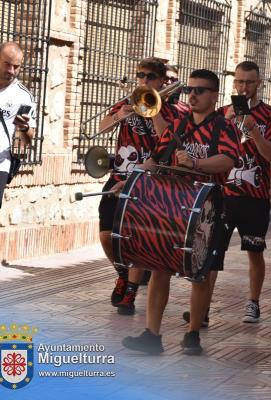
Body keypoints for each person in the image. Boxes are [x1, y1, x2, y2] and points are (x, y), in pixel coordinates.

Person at [121, 69, 239, 355]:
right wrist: (130, 180)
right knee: (159, 265)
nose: (193, 95)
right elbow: (155, 157)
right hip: (171, 206)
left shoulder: (225, 128)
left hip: (208, 209)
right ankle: (152, 334)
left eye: (200, 90)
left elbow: (226, 161)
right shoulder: (177, 125)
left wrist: (196, 164)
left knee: (199, 272)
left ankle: (193, 334)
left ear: (213, 95)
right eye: (191, 90)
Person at [98, 57, 181, 315]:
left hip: (148, 179)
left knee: (136, 236)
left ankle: (130, 292)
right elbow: (101, 128)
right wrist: (119, 115)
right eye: (140, 76)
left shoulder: (170, 110)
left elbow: (168, 141)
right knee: (105, 232)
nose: (143, 81)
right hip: (119, 173)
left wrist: (153, 110)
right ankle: (122, 273)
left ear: (160, 81)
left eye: (149, 77)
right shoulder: (127, 102)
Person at [216, 61, 271, 323]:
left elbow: (269, 156)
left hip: (255, 198)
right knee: (213, 252)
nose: (244, 87)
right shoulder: (222, 113)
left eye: (250, 82)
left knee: (255, 252)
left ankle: (253, 302)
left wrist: (254, 129)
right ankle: (204, 308)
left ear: (259, 84)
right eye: (240, 82)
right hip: (223, 195)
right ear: (234, 83)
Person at [0, 42, 36, 289]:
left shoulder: (23, 95)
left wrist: (25, 129)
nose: (12, 71)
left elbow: (29, 139)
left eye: (17, 66)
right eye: (7, 64)